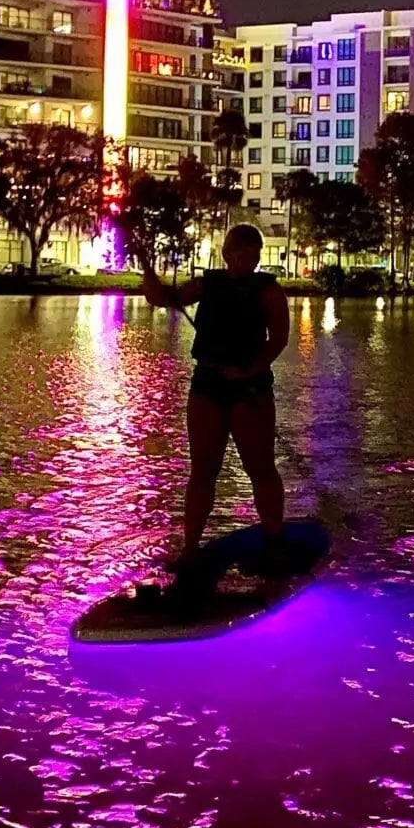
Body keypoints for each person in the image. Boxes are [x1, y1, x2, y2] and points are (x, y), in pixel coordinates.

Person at [140, 223, 290, 571]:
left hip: (249, 388)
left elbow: (278, 340)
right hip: (207, 384)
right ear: (227, 255)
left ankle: (274, 541)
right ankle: (190, 548)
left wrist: (248, 371)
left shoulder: (268, 290)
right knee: (203, 469)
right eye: (241, 255)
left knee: (260, 467)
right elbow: (166, 298)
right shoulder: (210, 284)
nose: (247, 263)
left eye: (253, 256)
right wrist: (151, 281)